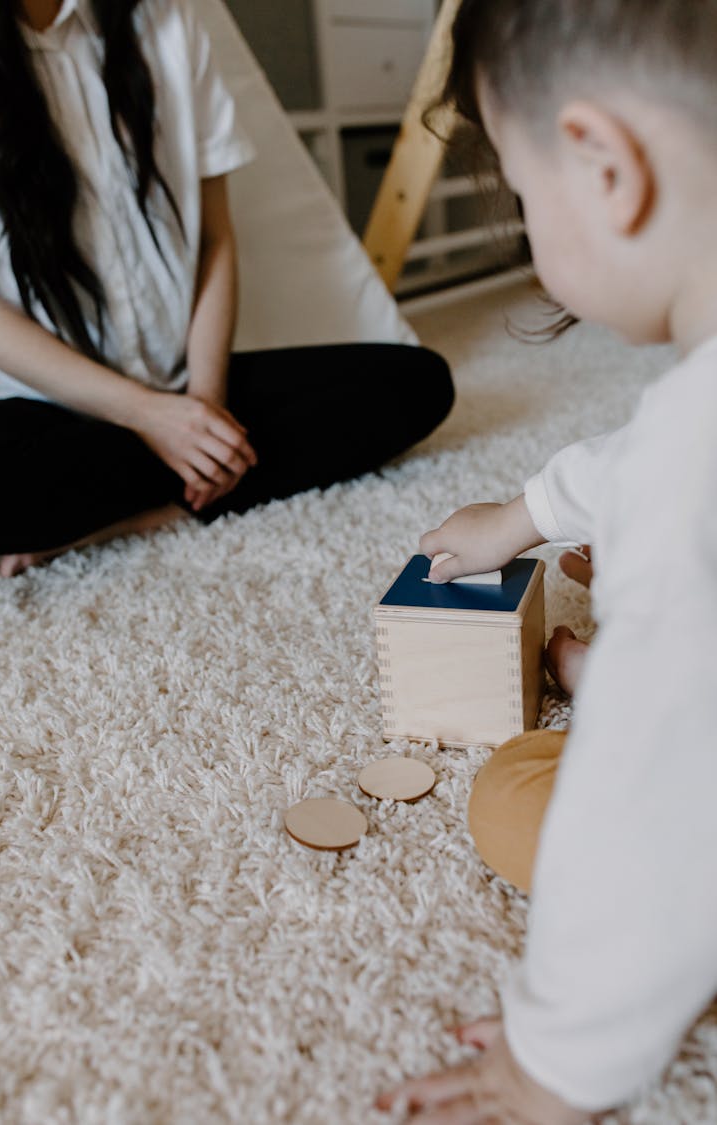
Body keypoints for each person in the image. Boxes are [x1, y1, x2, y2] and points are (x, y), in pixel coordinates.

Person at [377, 1, 717, 1121]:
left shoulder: (685, 473)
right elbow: (641, 464)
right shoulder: (684, 443)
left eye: (523, 194)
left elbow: (648, 815)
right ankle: (626, 674)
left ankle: (623, 685)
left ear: (604, 169)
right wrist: (525, 511)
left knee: (520, 795)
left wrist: (554, 1063)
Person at [0, 0, 453, 577]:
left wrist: (204, 408)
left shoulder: (165, 23)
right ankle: (170, 481)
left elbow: (216, 238)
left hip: (184, 382)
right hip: (49, 405)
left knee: (414, 383)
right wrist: (148, 417)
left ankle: (140, 513)